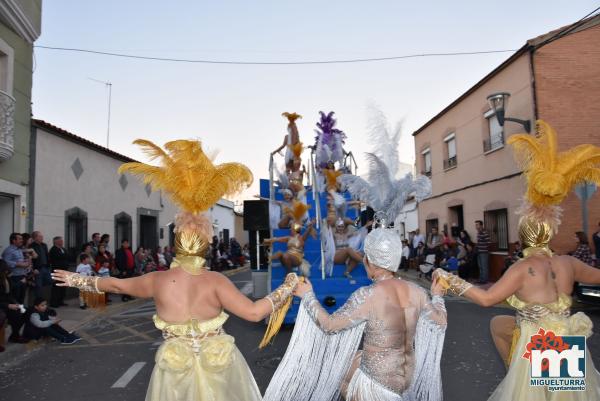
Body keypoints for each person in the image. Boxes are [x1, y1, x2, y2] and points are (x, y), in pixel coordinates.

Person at [52, 138, 298, 401]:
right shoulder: (215, 281)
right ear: (205, 244)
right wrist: (289, 285)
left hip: (175, 375)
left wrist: (77, 280)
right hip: (221, 370)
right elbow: (254, 312)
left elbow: (115, 285)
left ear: (176, 242)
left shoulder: (157, 280)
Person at [435, 119, 600, 400]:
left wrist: (452, 281)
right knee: (501, 325)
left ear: (524, 235)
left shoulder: (525, 267)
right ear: (549, 232)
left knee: (539, 394)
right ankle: (518, 368)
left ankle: (522, 371)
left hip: (541, 340)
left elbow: (487, 299)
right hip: (564, 335)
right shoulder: (567, 262)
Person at [264, 218, 446, 401]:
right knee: (354, 357)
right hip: (406, 380)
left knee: (336, 373)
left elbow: (329, 325)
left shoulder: (368, 295)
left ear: (369, 261)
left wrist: (308, 296)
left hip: (375, 387)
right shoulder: (418, 292)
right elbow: (440, 322)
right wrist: (437, 295)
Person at [0, 260, 28, 344]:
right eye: (5, 270)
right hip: (2, 305)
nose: (7, 272)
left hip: (7, 303)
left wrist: (16, 303)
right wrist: (8, 305)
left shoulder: (6, 279)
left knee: (25, 311)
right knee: (12, 314)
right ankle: (14, 336)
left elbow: (9, 294)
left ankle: (15, 335)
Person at [2, 233, 31, 304]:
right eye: (20, 239)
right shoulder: (8, 250)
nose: (22, 240)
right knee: (15, 299)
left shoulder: (19, 250)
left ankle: (20, 313)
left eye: (22, 239)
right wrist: (19, 264)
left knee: (21, 299)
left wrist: (26, 262)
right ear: (14, 240)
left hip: (22, 277)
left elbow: (20, 261)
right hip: (14, 278)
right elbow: (5, 263)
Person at [48, 236, 69, 308]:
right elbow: (54, 260)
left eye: (62, 241)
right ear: (56, 242)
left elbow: (67, 257)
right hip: (57, 271)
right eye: (60, 241)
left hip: (64, 270)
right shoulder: (53, 250)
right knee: (56, 287)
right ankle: (54, 302)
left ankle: (61, 301)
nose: (62, 242)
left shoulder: (63, 249)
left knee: (63, 287)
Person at [31, 231, 51, 299]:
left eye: (42, 236)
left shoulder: (44, 245)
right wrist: (33, 268)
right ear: (35, 238)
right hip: (38, 268)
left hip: (46, 267)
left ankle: (42, 301)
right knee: (38, 286)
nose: (42, 238)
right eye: (40, 236)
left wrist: (48, 265)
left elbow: (46, 255)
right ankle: (38, 301)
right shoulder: (32, 246)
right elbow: (31, 259)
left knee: (49, 281)